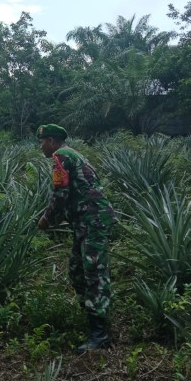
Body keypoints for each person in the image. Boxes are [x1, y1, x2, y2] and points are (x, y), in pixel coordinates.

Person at [36, 124, 117, 352]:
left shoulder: (60, 155)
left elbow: (60, 194)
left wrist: (46, 219)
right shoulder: (71, 153)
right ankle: (94, 316)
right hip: (86, 221)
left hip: (93, 220)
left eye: (42, 141)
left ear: (52, 141)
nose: (40, 146)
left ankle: (100, 334)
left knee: (93, 272)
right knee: (76, 270)